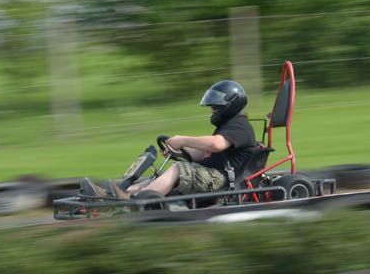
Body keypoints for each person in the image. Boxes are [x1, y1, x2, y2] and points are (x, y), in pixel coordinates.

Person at [81, 80, 257, 203]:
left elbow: (215, 145)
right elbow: (207, 153)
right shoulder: (229, 125)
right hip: (212, 175)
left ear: (231, 105)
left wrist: (183, 140)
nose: (212, 110)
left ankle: (133, 201)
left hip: (221, 180)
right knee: (162, 175)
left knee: (178, 169)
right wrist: (181, 152)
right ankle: (115, 194)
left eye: (216, 106)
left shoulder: (240, 125)